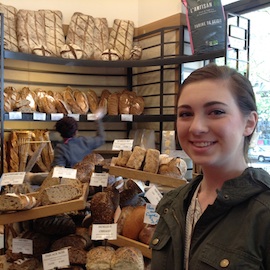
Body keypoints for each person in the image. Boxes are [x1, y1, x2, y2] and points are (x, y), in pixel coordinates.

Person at [150, 63, 270, 269]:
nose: (196, 127)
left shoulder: (263, 214)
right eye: (186, 114)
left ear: (249, 123)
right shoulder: (173, 204)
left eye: (216, 112)